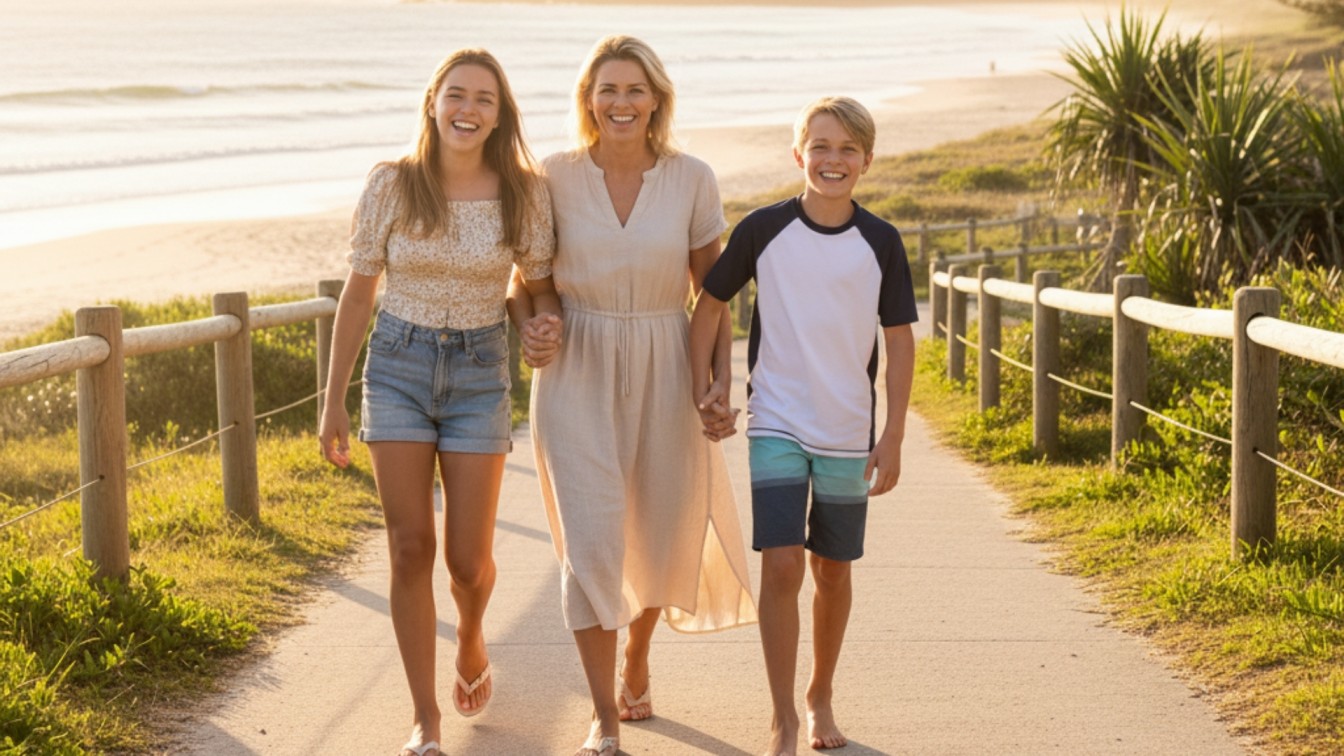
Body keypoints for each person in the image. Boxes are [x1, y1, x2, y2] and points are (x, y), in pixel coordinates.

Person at [506, 34, 756, 756]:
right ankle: (603, 719)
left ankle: (638, 656)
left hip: (664, 360)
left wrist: (716, 382)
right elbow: (525, 279)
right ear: (588, 99)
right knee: (589, 542)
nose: (621, 102)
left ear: (657, 100)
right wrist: (535, 328)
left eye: (634, 90)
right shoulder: (550, 176)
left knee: (657, 528)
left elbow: (712, 295)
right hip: (575, 369)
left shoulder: (692, 178)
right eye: (607, 90)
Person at [318, 49, 557, 756]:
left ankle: (473, 633)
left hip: (481, 372)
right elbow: (360, 292)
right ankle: (425, 717)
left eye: (484, 99)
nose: (468, 109)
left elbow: (536, 282)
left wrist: (541, 322)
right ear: (432, 102)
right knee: (408, 547)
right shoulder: (393, 184)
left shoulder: (524, 192)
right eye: (457, 94)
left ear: (499, 113)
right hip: (396, 366)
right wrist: (332, 400)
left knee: (466, 562)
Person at [688, 96, 917, 756]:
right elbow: (707, 304)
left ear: (867, 161)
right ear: (798, 155)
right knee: (782, 564)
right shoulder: (764, 229)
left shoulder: (881, 242)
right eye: (820, 145)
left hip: (848, 431)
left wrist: (893, 434)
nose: (833, 159)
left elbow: (899, 339)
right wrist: (705, 386)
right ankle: (783, 714)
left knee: (833, 570)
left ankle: (821, 696)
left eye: (848, 148)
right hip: (777, 422)